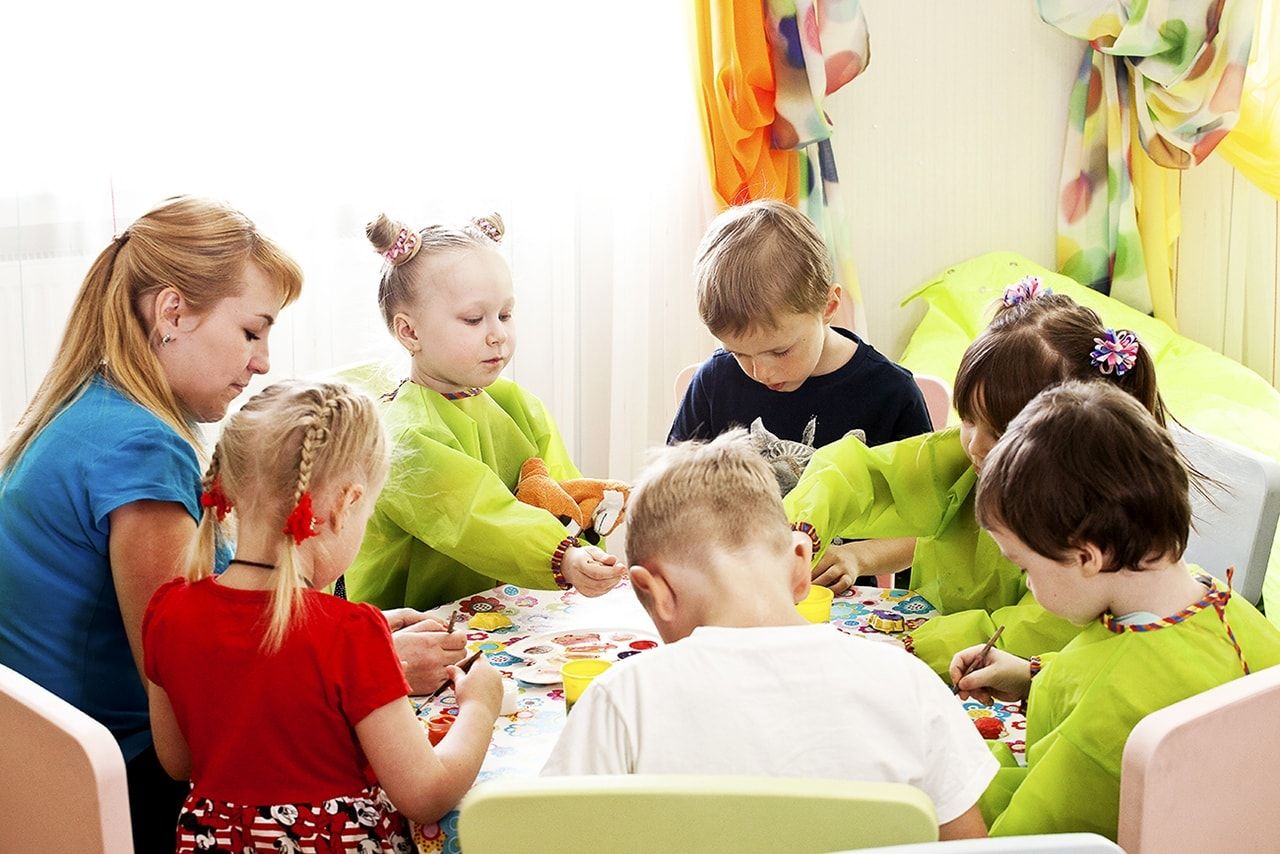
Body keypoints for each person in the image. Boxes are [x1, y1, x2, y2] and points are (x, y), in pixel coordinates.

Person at [0, 197, 303, 851]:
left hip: (40, 774)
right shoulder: (141, 448)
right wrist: (354, 673)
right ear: (172, 312)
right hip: (120, 786)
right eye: (252, 332)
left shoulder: (89, 410)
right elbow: (190, 701)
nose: (263, 362)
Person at [542, 431, 996, 842]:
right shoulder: (909, 684)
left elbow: (552, 839)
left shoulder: (621, 700)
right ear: (801, 563)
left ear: (655, 591)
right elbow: (968, 846)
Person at [144, 380, 503, 853]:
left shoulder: (168, 611)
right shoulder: (349, 633)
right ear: (344, 505)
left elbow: (179, 761)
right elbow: (426, 795)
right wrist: (480, 707)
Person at [951, 381, 1280, 840]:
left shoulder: (1102, 714)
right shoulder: (1226, 606)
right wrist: (1032, 676)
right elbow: (1160, 668)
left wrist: (947, 768)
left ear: (1087, 557)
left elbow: (1022, 838)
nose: (1027, 583)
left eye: (1025, 567)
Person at [785, 284, 1170, 675]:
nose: (974, 445)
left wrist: (918, 644)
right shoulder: (965, 459)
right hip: (940, 660)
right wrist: (802, 530)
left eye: (1000, 432)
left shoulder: (1093, 525)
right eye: (968, 419)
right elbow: (860, 474)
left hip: (1018, 680)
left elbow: (1030, 632)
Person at [345, 212, 625, 610]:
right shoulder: (405, 434)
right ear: (410, 331)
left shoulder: (516, 404)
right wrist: (563, 556)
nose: (498, 334)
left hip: (501, 606)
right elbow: (476, 516)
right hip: (416, 620)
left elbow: (561, 491)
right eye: (474, 319)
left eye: (505, 315)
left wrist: (587, 536)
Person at [668, 200, 931, 449]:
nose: (760, 372)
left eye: (780, 351)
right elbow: (674, 479)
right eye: (738, 354)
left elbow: (921, 482)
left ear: (828, 307)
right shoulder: (713, 383)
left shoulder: (892, 395)